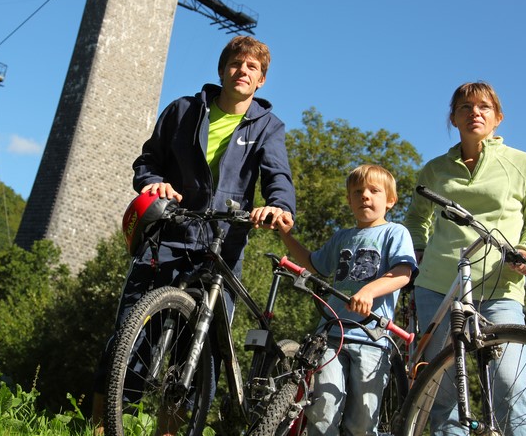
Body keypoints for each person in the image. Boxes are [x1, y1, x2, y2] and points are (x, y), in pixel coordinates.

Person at [91, 35, 296, 430]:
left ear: (261, 81)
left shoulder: (268, 127)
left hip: (223, 245)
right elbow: (148, 161)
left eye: (252, 68)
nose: (243, 71)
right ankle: (99, 428)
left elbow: (278, 178)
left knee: (198, 352)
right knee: (129, 338)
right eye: (237, 64)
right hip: (168, 234)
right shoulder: (184, 110)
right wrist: (154, 183)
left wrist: (279, 207)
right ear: (222, 70)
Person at [404, 81, 526, 435]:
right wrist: (419, 252)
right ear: (453, 118)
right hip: (438, 286)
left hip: (500, 285)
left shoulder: (525, 164)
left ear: (498, 117)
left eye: (484, 107)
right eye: (465, 108)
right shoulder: (435, 169)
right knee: (441, 392)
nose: (475, 113)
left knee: (508, 385)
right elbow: (415, 219)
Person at [275, 164, 416, 436]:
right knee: (322, 409)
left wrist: (368, 292)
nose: (365, 196)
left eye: (374, 191)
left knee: (362, 420)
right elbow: (314, 263)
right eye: (357, 191)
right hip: (331, 335)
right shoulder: (342, 237)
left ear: (390, 200)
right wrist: (285, 235)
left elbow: (402, 274)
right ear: (349, 200)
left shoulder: (394, 233)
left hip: (371, 339)